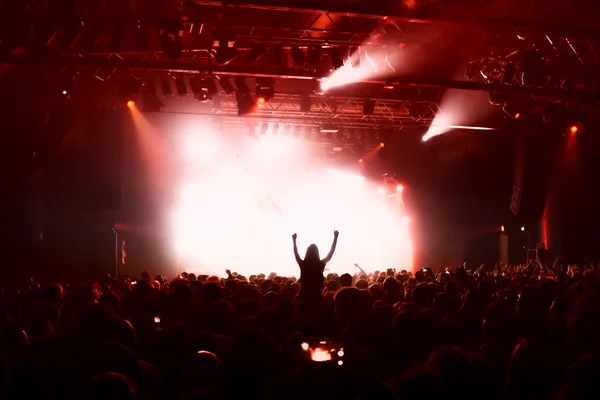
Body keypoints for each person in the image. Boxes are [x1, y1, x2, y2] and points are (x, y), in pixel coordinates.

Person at [292, 230, 339, 299]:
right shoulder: (320, 264)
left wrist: (294, 240)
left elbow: (296, 253)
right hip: (317, 295)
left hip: (303, 294)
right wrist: (335, 238)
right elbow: (331, 253)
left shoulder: (303, 264)